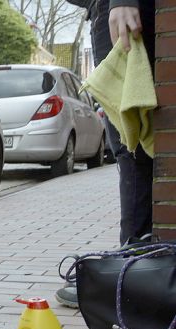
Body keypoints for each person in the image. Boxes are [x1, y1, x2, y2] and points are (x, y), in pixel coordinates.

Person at [56, 0, 155, 308]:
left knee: (133, 140)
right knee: (138, 140)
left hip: (125, 12)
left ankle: (137, 274)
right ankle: (142, 264)